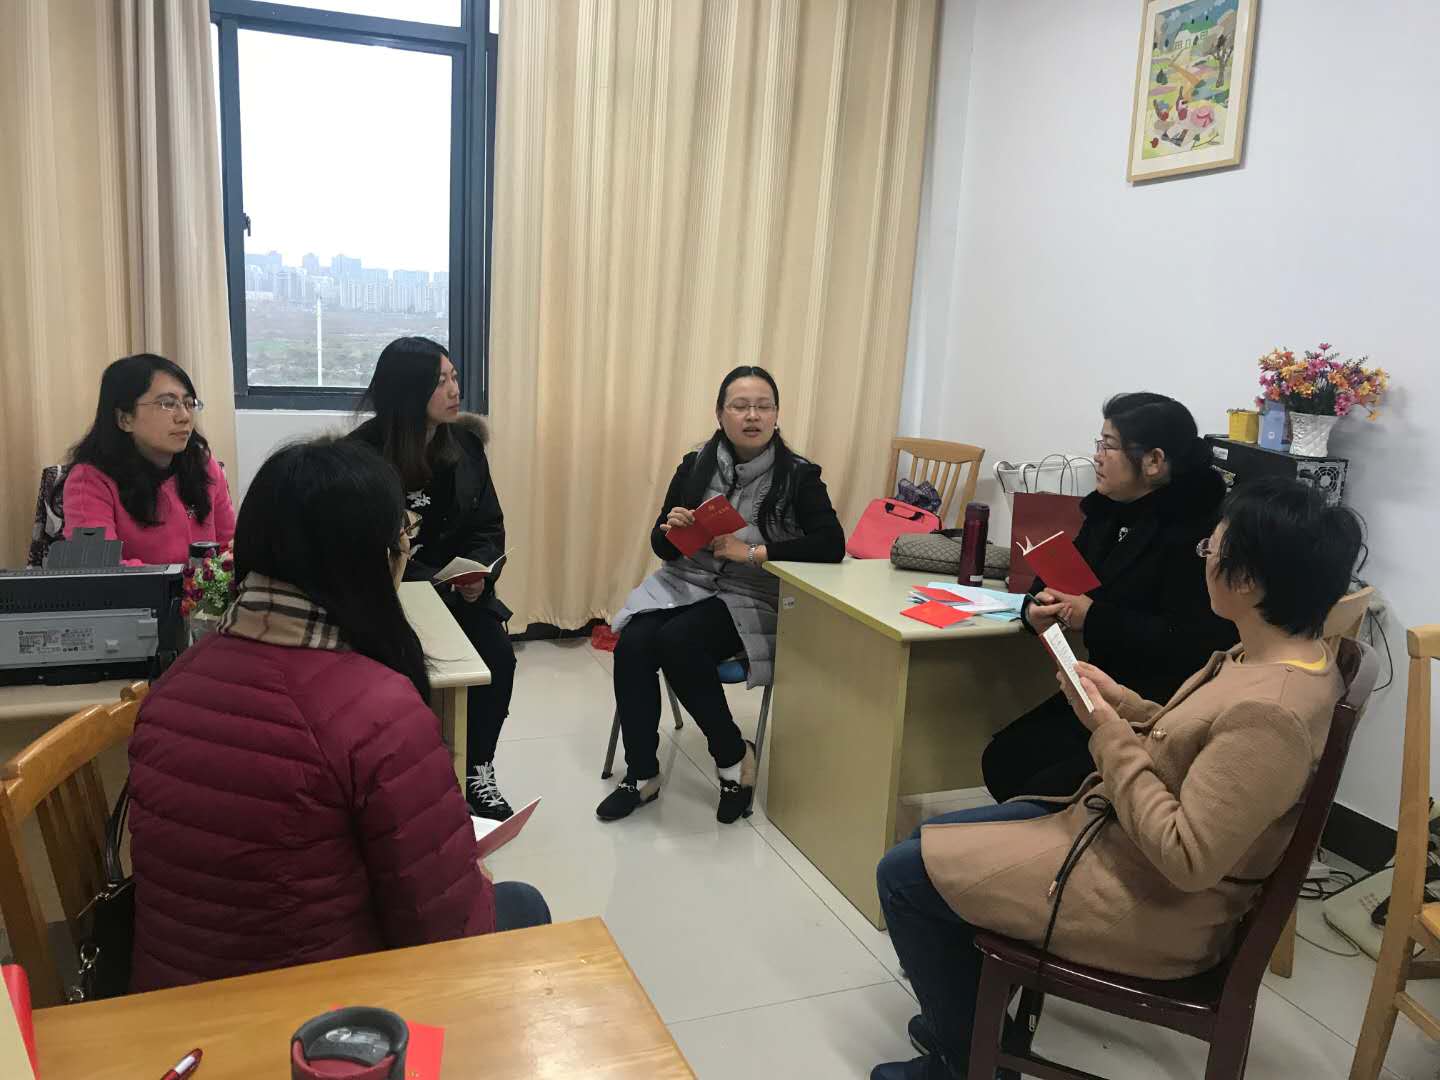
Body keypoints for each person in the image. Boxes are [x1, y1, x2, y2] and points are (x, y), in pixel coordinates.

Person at [870, 478, 1364, 1079]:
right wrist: (1122, 703)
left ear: (1247, 581)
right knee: (930, 844)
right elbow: (1194, 745)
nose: (1204, 557)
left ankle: (966, 1063)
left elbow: (1188, 857)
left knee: (904, 876)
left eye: (1211, 548)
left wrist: (1107, 732)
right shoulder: (1271, 657)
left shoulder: (1273, 712)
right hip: (1118, 838)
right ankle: (969, 1024)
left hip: (1154, 906)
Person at [127, 438, 549, 993]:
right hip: (322, 1020)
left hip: (169, 1004)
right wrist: (471, 876)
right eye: (402, 536)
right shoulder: (379, 711)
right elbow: (445, 935)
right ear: (374, 558)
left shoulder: (173, 685)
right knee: (524, 904)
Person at [597, 365, 846, 824]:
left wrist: (752, 552)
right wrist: (672, 530)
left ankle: (731, 758)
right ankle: (642, 772)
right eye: (740, 406)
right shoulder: (695, 466)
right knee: (634, 643)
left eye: (763, 406)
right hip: (685, 582)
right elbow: (660, 546)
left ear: (776, 414)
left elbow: (832, 546)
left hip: (751, 593)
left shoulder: (799, 476)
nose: (752, 416)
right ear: (720, 414)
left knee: (678, 641)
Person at [982, 392, 1238, 802]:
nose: (1097, 457)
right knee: (1004, 759)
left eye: (1109, 446)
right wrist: (1036, 609)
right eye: (1098, 443)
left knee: (1036, 785)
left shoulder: (1198, 533)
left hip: (1158, 704)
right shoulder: (1110, 510)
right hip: (1102, 684)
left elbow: (1192, 641)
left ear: (1154, 461)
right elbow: (1060, 576)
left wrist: (1094, 617)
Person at [349, 337, 518, 821]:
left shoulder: (465, 446)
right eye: (440, 381)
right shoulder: (359, 455)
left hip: (458, 594)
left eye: (455, 377)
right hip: (385, 599)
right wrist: (427, 580)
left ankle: (477, 767)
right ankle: (413, 778)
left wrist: (477, 572)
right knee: (405, 678)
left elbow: (489, 525)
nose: (454, 390)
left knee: (497, 659)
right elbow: (356, 545)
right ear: (407, 389)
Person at [62, 353, 235, 564]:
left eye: (189, 403)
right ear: (125, 419)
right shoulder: (89, 480)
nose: (184, 417)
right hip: (140, 588)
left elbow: (229, 547)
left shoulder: (203, 465)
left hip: (204, 587)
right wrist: (182, 578)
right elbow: (97, 567)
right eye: (167, 404)